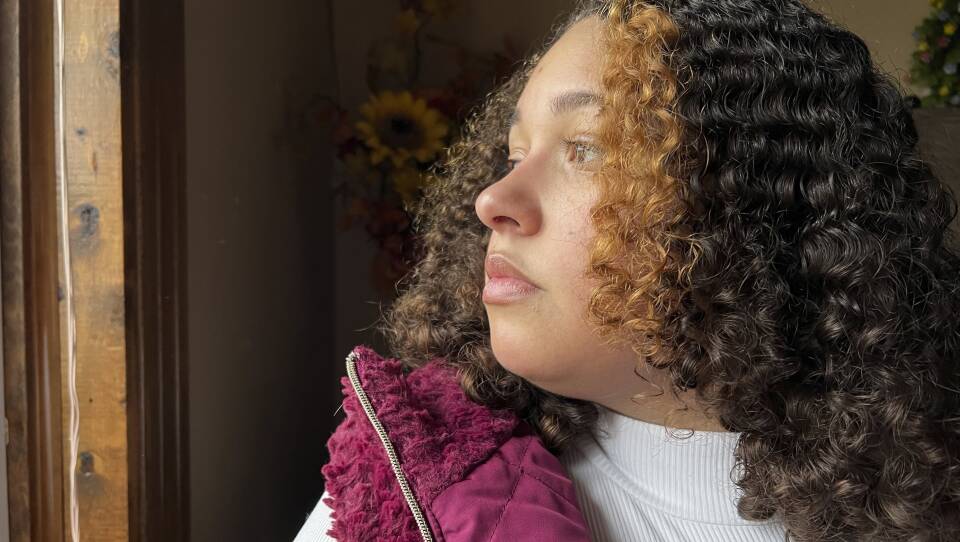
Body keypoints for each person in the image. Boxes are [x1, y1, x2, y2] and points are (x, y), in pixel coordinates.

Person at [295, 0, 960, 540]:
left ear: (753, 209)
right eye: (513, 152)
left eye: (585, 149)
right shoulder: (402, 494)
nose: (493, 200)